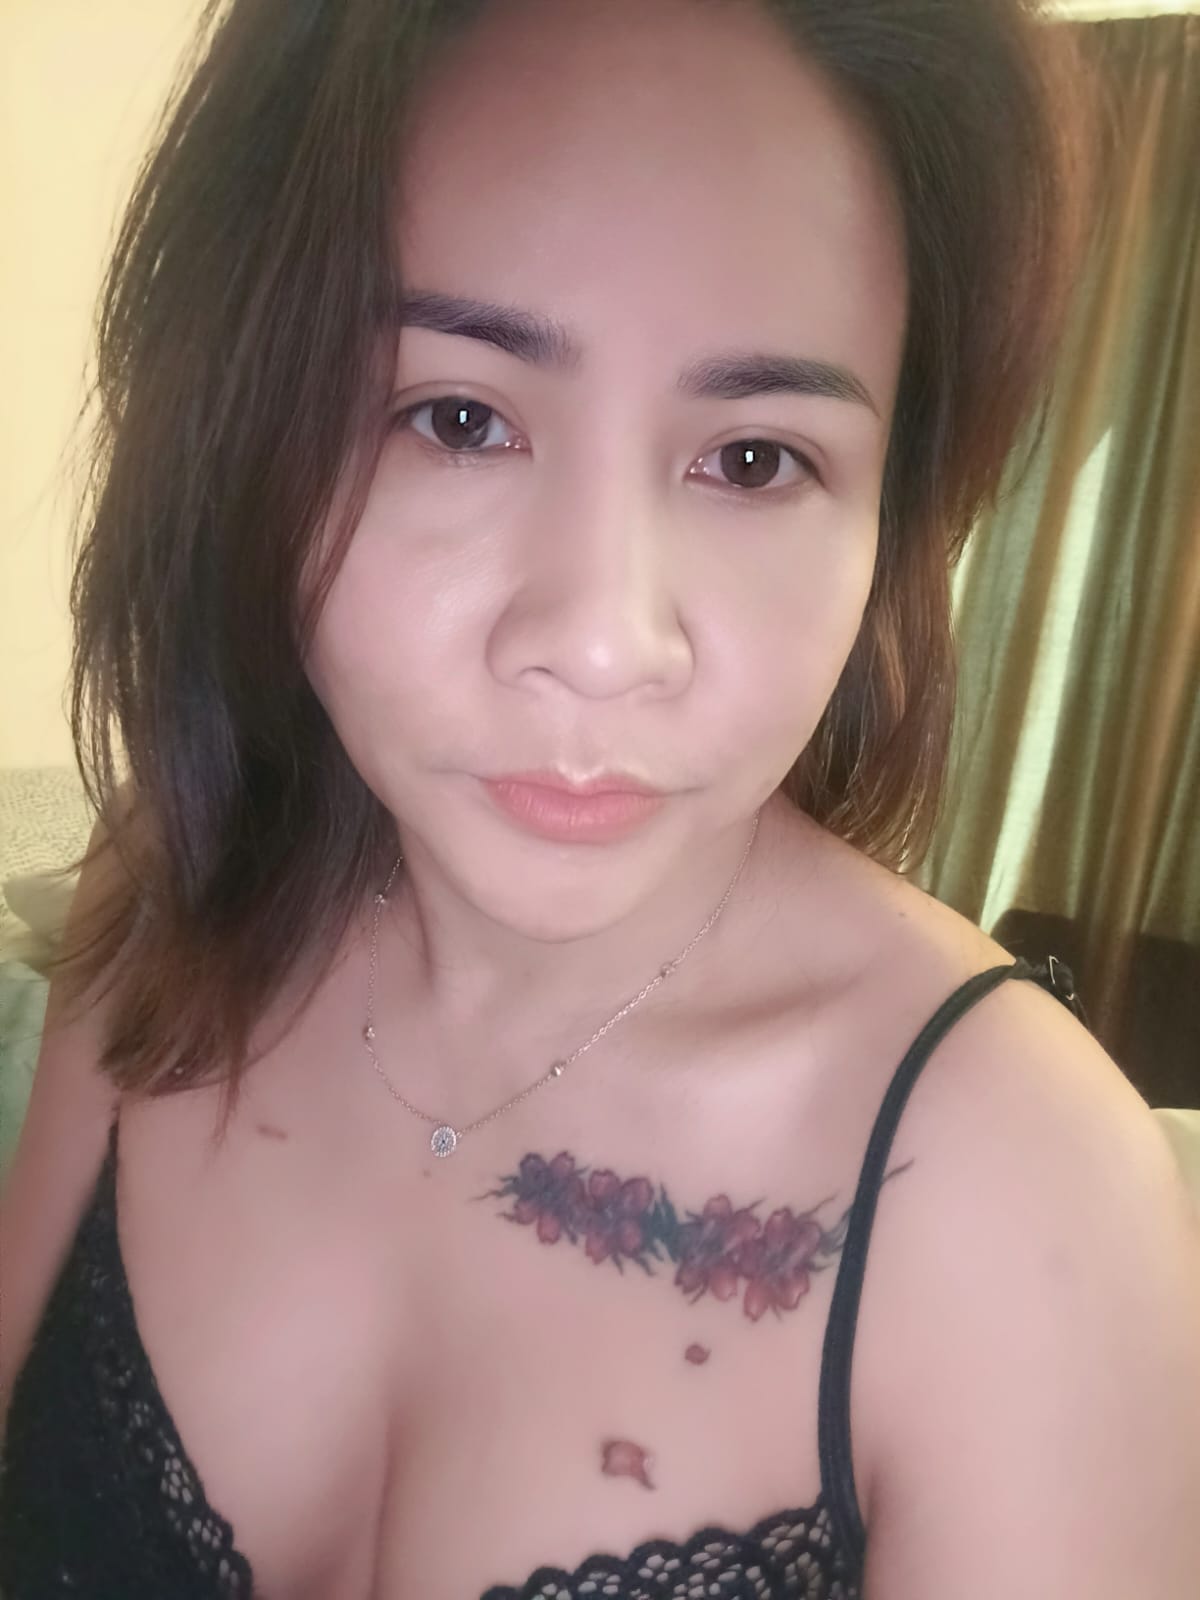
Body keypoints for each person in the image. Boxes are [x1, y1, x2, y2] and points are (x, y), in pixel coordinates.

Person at [1, 0, 1197, 1594]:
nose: (603, 641)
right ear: (246, 427)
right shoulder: (172, 899)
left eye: (755, 460)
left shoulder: (1025, 1202)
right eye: (459, 419)